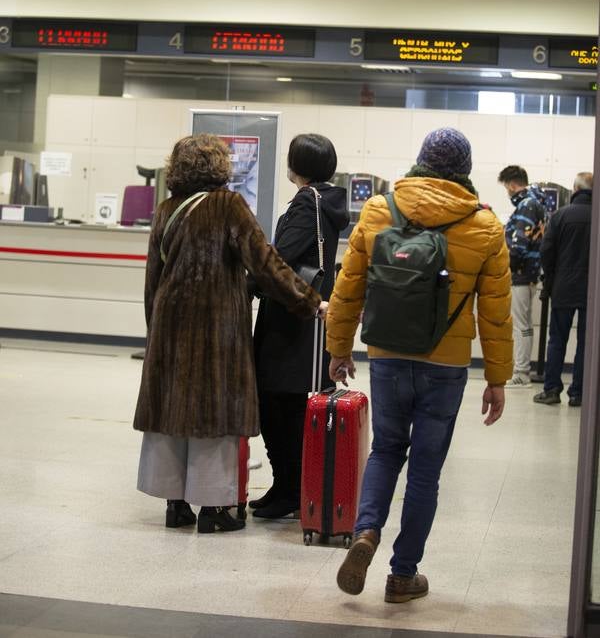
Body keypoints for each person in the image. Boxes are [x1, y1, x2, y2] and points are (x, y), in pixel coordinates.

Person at [326, 128, 512, 603]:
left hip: (387, 353)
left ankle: (366, 532)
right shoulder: (485, 225)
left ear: (420, 161)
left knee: (387, 450)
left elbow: (348, 287)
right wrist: (497, 378)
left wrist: (339, 349)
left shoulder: (379, 208)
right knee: (425, 470)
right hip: (445, 365)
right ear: (464, 170)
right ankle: (402, 575)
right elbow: (494, 310)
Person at [133, 134, 323, 534]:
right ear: (220, 166)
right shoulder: (229, 206)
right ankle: (215, 510)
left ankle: (176, 505)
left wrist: (156, 334)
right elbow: (266, 264)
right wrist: (308, 301)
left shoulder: (166, 209)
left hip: (170, 324)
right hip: (217, 329)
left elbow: (152, 280)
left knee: (173, 412)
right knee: (214, 415)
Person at [252, 134, 349, 520]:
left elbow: (280, 258)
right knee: (288, 402)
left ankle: (290, 488)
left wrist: (251, 279)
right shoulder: (327, 201)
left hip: (291, 317)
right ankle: (286, 485)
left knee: (279, 402)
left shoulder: (308, 203)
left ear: (296, 166)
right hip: (306, 316)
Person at [533, 172, 593, 408]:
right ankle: (578, 393)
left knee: (557, 340)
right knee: (586, 343)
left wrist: (551, 279)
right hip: (592, 292)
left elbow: (546, 252)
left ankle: (551, 390)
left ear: (575, 189)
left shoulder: (560, 215)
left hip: (563, 287)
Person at [498, 165, 547, 388]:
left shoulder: (527, 205)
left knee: (521, 324)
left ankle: (521, 372)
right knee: (524, 324)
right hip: (529, 271)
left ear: (511, 185)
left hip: (521, 273)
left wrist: (509, 266)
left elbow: (518, 244)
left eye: (506, 188)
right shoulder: (535, 203)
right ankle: (522, 370)